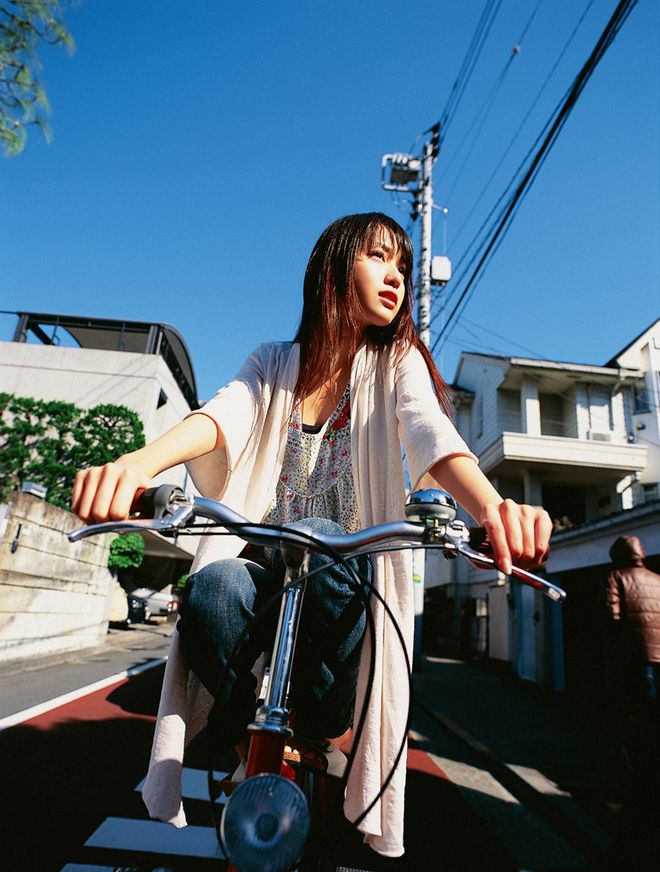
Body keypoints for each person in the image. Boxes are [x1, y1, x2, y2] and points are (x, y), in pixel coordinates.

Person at [72, 212, 552, 859]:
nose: (396, 277)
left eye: (403, 266)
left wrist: (491, 505)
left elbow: (430, 433)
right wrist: (136, 464)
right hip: (267, 582)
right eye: (379, 258)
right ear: (334, 265)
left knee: (321, 531)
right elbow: (219, 417)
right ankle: (250, 739)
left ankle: (321, 725)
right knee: (213, 586)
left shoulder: (395, 363)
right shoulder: (273, 363)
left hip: (344, 593)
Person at [604, 535, 660, 709]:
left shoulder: (616, 576)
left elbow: (611, 613)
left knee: (636, 701)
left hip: (632, 650)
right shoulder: (657, 579)